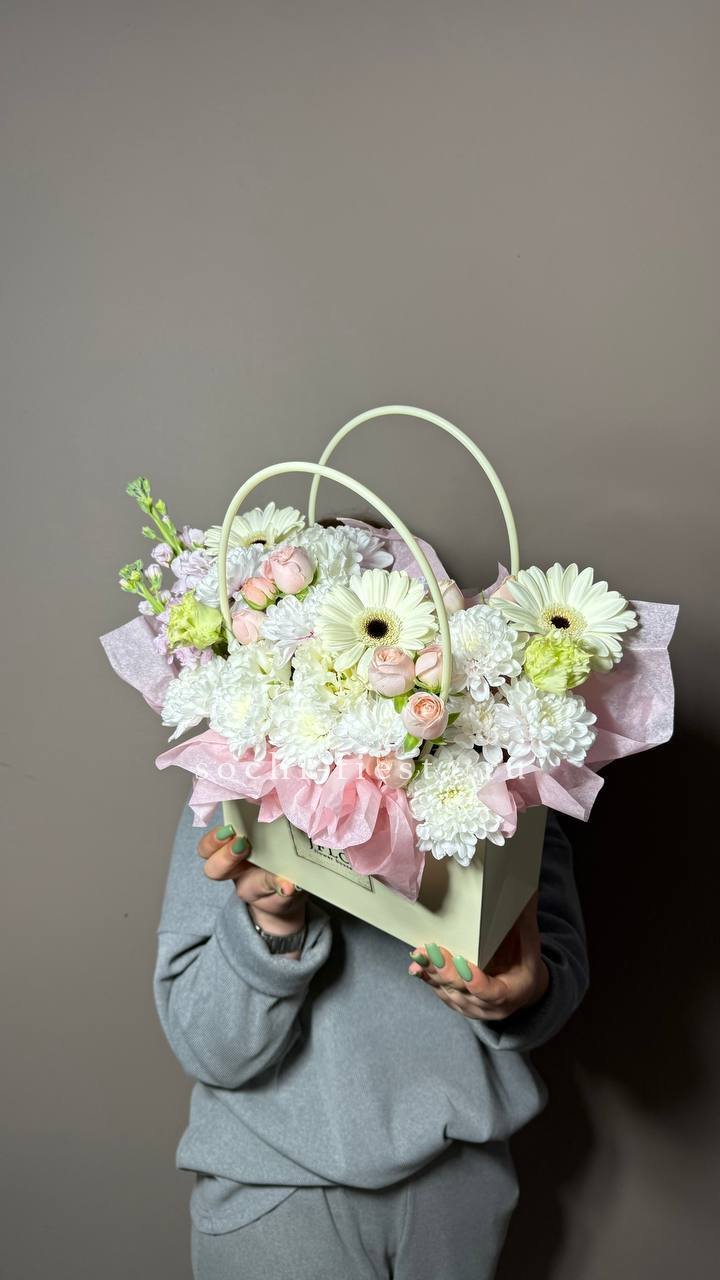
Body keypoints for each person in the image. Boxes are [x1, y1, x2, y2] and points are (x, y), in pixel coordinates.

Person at [153, 794, 588, 1280]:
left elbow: (554, 973)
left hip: (458, 1193)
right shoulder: (239, 772)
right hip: (276, 1188)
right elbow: (212, 1049)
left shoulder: (513, 775)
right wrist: (274, 925)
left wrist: (518, 994)